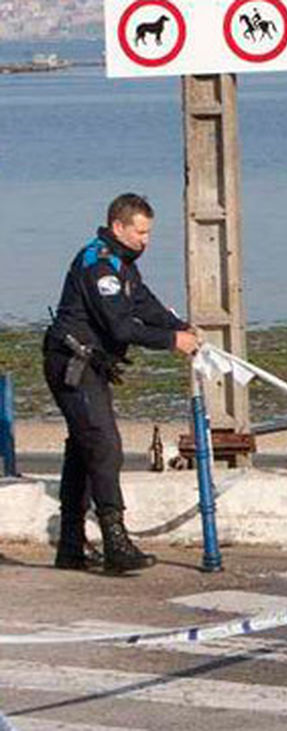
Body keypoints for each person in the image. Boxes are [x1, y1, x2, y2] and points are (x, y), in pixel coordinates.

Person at [43, 193, 200, 573]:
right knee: (105, 445)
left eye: (149, 233)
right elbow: (120, 325)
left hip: (91, 364)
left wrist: (178, 326)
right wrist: (171, 342)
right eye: (140, 232)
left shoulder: (123, 264)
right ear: (118, 226)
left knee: (85, 448)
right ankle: (115, 541)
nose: (146, 240)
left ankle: (70, 546)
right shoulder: (99, 266)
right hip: (71, 363)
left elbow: (143, 304)